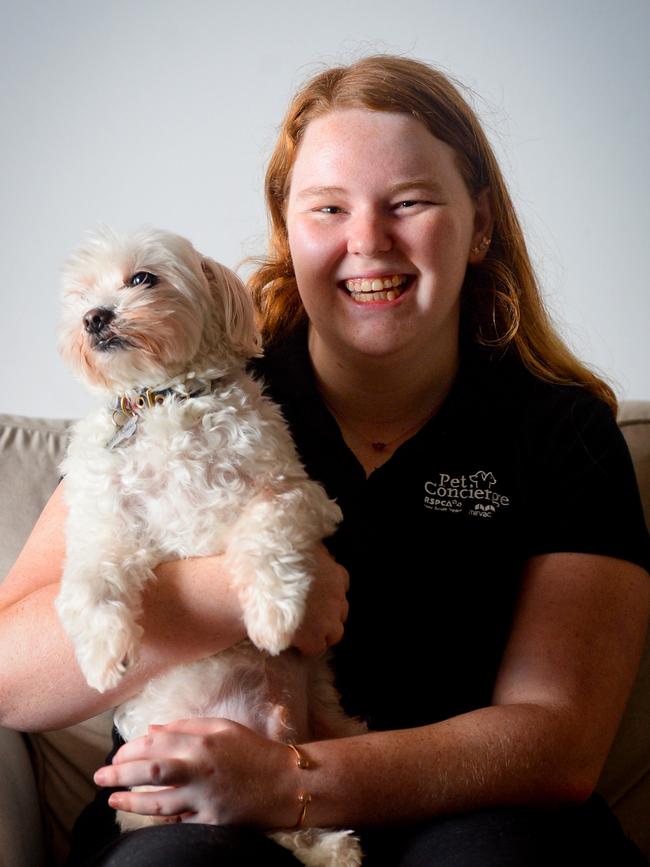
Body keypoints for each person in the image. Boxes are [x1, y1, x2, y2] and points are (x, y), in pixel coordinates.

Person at [1, 55, 649, 866]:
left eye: (408, 202)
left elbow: (558, 742)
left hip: (477, 815)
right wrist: (229, 592)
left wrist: (292, 780)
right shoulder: (188, 396)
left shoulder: (560, 430)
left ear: (479, 222)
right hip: (195, 816)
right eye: (328, 208)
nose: (367, 241)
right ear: (288, 229)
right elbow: (9, 675)